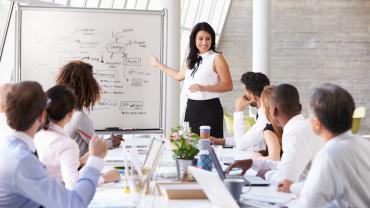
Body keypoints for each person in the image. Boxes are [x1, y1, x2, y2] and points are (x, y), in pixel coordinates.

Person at [0, 81, 107, 207]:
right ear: (42, 116)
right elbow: (74, 203)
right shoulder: (22, 160)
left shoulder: (9, 146)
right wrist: (95, 160)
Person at [226, 84, 324, 187]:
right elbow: (285, 165)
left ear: (274, 111)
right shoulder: (307, 126)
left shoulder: (294, 134)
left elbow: (282, 179)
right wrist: (252, 163)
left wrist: (262, 173)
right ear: (300, 107)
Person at [292, 84, 370, 207]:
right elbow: (323, 184)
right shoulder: (364, 145)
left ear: (317, 124)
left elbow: (308, 204)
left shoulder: (329, 155)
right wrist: (292, 187)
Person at [150, 22, 232, 138]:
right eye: (201, 38)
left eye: (208, 39)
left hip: (210, 109)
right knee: (190, 147)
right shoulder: (191, 59)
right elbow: (178, 76)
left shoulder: (217, 58)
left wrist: (203, 88)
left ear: (212, 40)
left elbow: (228, 85)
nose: (204, 42)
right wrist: (158, 64)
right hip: (192, 108)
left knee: (210, 147)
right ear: (194, 39)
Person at [34, 85, 120, 189]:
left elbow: (56, 167)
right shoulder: (66, 144)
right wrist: (105, 178)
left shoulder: (39, 134)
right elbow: (73, 183)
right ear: (71, 114)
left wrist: (82, 160)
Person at [56, 60, 123, 157]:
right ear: (88, 87)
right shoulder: (78, 117)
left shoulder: (64, 112)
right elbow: (96, 146)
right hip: (81, 167)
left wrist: (110, 140)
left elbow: (92, 141)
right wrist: (113, 142)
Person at [211, 72, 270, 151]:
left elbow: (240, 145)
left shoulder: (265, 118)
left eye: (246, 92)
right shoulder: (263, 113)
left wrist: (238, 111)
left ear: (252, 96)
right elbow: (246, 138)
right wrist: (222, 141)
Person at [253, 86, 283, 161]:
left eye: (262, 104)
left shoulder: (269, 130)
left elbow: (274, 159)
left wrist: (258, 158)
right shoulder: (289, 124)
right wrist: (263, 153)